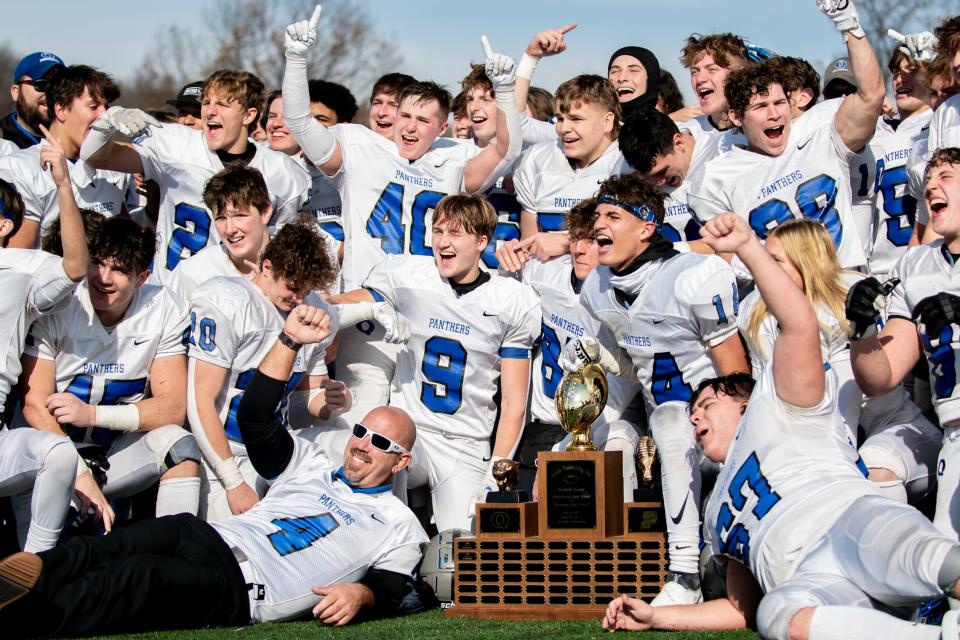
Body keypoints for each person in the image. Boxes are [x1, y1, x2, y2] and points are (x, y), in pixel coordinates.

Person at [603, 210, 960, 640]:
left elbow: (799, 323)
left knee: (920, 554)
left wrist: (749, 248)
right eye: (694, 409)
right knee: (776, 614)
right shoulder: (716, 513)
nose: (695, 414)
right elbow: (740, 610)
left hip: (849, 521)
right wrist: (656, 617)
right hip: (807, 579)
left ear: (743, 400)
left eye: (707, 402)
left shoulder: (779, 403)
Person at [0, 304, 428, 636]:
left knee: (131, 579)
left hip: (245, 581)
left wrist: (363, 594)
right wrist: (289, 340)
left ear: (401, 460)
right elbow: (256, 418)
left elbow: (394, 589)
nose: (362, 445)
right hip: (213, 534)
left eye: (381, 443)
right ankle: (18, 586)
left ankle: (20, 618)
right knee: (100, 550)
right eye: (361, 432)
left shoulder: (400, 524)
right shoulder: (311, 465)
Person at [282, 7, 521, 428]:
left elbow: (506, 149)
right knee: (363, 421)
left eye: (423, 120)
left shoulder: (452, 159)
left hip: (428, 308)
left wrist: (504, 91)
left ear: (441, 126)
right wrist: (296, 60)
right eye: (405, 116)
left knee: (421, 429)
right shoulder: (360, 147)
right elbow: (300, 123)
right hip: (368, 308)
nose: (410, 127)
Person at [562, 172, 748, 606]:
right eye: (596, 215)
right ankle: (650, 568)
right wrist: (597, 357)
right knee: (655, 421)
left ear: (646, 228)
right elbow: (632, 366)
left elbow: (738, 379)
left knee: (669, 417)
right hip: (664, 431)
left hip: (720, 429)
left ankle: (685, 571)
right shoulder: (599, 286)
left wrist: (736, 437)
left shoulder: (692, 275)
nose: (598, 225)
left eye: (612, 215)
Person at [330, 194, 539, 532]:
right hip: (409, 430)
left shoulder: (510, 299)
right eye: (438, 231)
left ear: (482, 241)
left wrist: (498, 467)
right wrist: (370, 308)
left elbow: (515, 401)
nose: (443, 242)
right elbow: (337, 306)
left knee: (466, 550)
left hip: (465, 443)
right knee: (373, 514)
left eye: (456, 234)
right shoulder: (408, 275)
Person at [738, 219, 939, 505]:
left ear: (804, 261)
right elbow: (765, 399)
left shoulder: (846, 296)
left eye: (775, 261)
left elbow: (845, 411)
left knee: (869, 475)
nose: (764, 270)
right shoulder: (755, 312)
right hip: (817, 437)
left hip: (893, 430)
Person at [17, 216, 202, 522]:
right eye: (98, 263)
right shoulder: (62, 302)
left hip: (114, 450)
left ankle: (175, 552)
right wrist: (78, 472)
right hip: (51, 449)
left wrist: (93, 415)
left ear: (142, 278)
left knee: (178, 444)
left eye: (118, 270)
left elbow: (172, 408)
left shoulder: (164, 308)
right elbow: (35, 405)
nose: (103, 277)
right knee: (51, 558)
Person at [689, 0, 885, 275]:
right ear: (736, 117)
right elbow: (729, 256)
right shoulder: (715, 178)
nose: (774, 115)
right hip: (783, 302)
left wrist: (847, 23)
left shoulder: (819, 128)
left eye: (780, 103)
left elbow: (872, 94)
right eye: (760, 107)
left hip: (845, 286)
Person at [187, 220, 344, 521]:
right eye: (293, 287)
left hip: (277, 449)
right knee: (231, 552)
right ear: (267, 267)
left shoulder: (314, 309)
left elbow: (309, 397)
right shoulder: (228, 301)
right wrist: (233, 482)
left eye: (308, 289)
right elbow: (199, 401)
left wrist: (336, 399)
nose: (299, 299)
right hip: (224, 452)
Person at [78, 69, 309, 274]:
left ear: (249, 115)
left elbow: (277, 247)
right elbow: (95, 156)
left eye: (223, 104)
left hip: (236, 302)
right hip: (171, 295)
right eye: (207, 102)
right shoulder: (176, 144)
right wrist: (106, 123)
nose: (210, 111)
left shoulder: (281, 171)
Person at [0, 133, 108, 553]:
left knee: (59, 455)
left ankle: (37, 571)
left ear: (4, 225)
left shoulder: (20, 267)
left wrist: (64, 185)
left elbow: (76, 265)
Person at [850, 147, 960, 541]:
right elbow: (881, 377)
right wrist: (861, 333)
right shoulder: (917, 265)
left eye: (945, 176)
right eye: (928, 180)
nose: (931, 185)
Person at [506, 198, 641, 495]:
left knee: (619, 445)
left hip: (601, 423)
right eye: (577, 238)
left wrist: (565, 446)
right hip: (540, 421)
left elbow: (622, 390)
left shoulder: (624, 299)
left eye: (592, 240)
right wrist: (507, 259)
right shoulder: (544, 272)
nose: (580, 249)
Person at [0, 65, 129, 250]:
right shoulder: (20, 167)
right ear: (61, 109)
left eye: (106, 107)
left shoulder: (111, 166)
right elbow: (20, 264)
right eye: (93, 106)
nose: (104, 116)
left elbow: (126, 245)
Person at [617, 108, 720, 253]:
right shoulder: (626, 172)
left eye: (662, 172)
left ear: (679, 143)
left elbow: (731, 243)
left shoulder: (721, 153)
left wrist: (664, 250)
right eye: (648, 177)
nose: (658, 182)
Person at [1, 52, 65, 149]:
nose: (51, 93)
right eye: (41, 84)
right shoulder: (3, 141)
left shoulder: (78, 143)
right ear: (16, 92)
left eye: (58, 86)